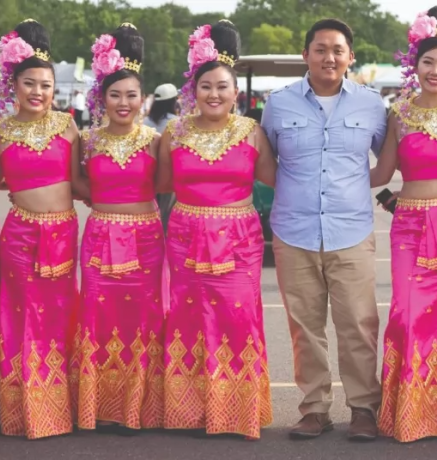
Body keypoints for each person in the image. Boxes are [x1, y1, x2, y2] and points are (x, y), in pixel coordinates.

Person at [262, 17, 387, 441]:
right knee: (305, 326)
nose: (329, 57)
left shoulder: (372, 105)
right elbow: (267, 162)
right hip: (293, 231)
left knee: (358, 323)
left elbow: (385, 163)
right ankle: (314, 409)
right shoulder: (278, 104)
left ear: (351, 56)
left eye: (337, 50)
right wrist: (303, 188)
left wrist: (351, 186)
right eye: (320, 49)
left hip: (351, 230)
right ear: (306, 55)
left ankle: (364, 409)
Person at [159, 20, 277, 440]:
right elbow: (159, 186)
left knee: (236, 316)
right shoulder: (173, 133)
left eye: (222, 87)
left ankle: (235, 411)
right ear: (194, 90)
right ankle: (190, 410)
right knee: (189, 317)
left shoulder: (251, 132)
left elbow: (276, 181)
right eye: (206, 86)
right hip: (186, 234)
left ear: (236, 94)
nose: (214, 94)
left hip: (240, 239)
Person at [370, 5, 437, 443]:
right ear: (414, 65)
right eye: (428, 63)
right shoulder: (399, 113)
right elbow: (380, 174)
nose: (436, 71)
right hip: (410, 226)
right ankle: (410, 411)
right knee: (408, 312)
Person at [0, 19, 84, 440]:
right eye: (30, 84)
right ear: (15, 86)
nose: (38, 93)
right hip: (21, 236)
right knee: (21, 318)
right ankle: (21, 411)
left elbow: (82, 181)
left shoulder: (68, 126)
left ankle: (61, 408)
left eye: (46, 86)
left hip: (63, 235)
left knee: (60, 318)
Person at [74, 23, 164, 435]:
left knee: (142, 318)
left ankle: (138, 408)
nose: (123, 102)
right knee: (97, 314)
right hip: (99, 235)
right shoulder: (87, 140)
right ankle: (99, 407)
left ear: (143, 100)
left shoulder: (156, 140)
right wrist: (101, 204)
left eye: (131, 95)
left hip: (146, 237)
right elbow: (74, 182)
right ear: (102, 99)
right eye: (115, 95)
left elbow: (168, 185)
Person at [145, 83, 179, 229]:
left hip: (149, 173)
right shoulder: (176, 123)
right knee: (165, 211)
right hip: (169, 173)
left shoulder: (145, 121)